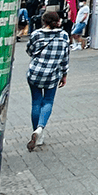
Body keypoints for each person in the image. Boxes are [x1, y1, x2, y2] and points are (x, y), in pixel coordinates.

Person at [26, 10, 70, 151]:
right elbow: (65, 57)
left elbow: (29, 51)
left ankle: (37, 133)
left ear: (43, 21)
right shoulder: (64, 35)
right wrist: (64, 74)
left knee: (36, 102)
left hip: (35, 73)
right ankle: (40, 128)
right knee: (48, 101)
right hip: (52, 75)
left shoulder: (36, 34)